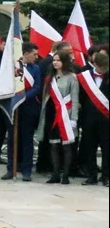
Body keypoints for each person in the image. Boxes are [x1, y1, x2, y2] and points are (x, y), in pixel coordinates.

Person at [37, 51, 80, 185]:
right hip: (51, 114)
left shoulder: (72, 77)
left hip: (66, 115)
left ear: (65, 62)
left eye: (58, 60)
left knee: (66, 147)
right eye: (54, 60)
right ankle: (55, 174)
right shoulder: (50, 78)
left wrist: (74, 118)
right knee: (54, 145)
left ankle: (65, 175)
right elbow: (45, 97)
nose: (55, 62)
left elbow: (74, 98)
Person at [1, 41, 42, 182]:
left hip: (29, 108)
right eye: (34, 54)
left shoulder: (36, 69)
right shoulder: (13, 67)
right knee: (12, 140)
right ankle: (10, 168)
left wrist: (23, 97)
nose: (36, 57)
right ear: (25, 54)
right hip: (14, 108)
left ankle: (26, 171)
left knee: (27, 141)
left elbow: (37, 87)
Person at [78, 49, 109, 186]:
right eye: (101, 67)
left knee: (107, 149)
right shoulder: (84, 77)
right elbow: (80, 97)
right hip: (88, 118)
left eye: (106, 68)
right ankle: (91, 176)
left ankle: (106, 176)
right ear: (94, 64)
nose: (103, 70)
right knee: (89, 148)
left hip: (106, 119)